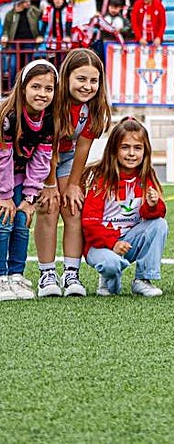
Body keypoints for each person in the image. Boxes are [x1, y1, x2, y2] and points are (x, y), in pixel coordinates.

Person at [31, 49, 110, 297]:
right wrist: (49, 184)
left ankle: (71, 274)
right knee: (48, 206)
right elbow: (47, 147)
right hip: (40, 155)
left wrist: (74, 184)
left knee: (73, 206)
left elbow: (82, 148)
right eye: (81, 79)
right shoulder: (53, 102)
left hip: (66, 157)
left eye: (93, 81)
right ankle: (47, 274)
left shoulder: (93, 109)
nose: (87, 86)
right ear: (66, 78)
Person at [79, 117, 166, 297]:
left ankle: (143, 279)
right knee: (110, 267)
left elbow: (152, 216)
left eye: (137, 148)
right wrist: (113, 243)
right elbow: (89, 223)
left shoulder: (145, 177)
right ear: (114, 150)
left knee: (159, 224)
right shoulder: (100, 179)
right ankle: (109, 275)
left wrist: (153, 205)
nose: (131, 153)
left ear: (145, 151)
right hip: (100, 245)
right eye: (125, 147)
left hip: (128, 242)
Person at [0, 60, 57, 301]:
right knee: (4, 222)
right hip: (3, 177)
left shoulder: (49, 119)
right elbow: (3, 157)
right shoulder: (8, 116)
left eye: (48, 88)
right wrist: (4, 196)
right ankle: (1, 277)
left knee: (22, 221)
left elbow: (42, 159)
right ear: (23, 88)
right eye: (36, 87)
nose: (42, 94)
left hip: (21, 177)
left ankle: (16, 275)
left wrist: (29, 197)